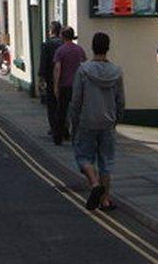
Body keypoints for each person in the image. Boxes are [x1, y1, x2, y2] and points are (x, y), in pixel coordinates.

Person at [70, 32, 125, 211]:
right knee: (106, 162)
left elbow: (76, 99)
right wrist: (117, 119)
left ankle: (94, 185)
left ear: (92, 47)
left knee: (84, 157)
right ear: (107, 47)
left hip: (87, 121)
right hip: (108, 122)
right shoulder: (116, 72)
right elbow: (120, 100)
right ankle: (106, 200)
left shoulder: (83, 70)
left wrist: (74, 121)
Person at [52, 27, 87, 145]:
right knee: (77, 113)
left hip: (64, 86)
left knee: (61, 112)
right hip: (77, 86)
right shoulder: (80, 50)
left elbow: (57, 69)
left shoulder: (60, 51)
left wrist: (56, 85)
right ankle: (76, 138)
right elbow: (84, 67)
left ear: (62, 36)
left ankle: (58, 138)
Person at [39, 22, 64, 131]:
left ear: (51, 31)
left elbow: (43, 62)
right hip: (64, 78)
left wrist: (41, 77)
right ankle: (64, 127)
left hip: (51, 78)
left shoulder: (47, 44)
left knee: (52, 104)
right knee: (63, 104)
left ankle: (54, 127)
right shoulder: (64, 44)